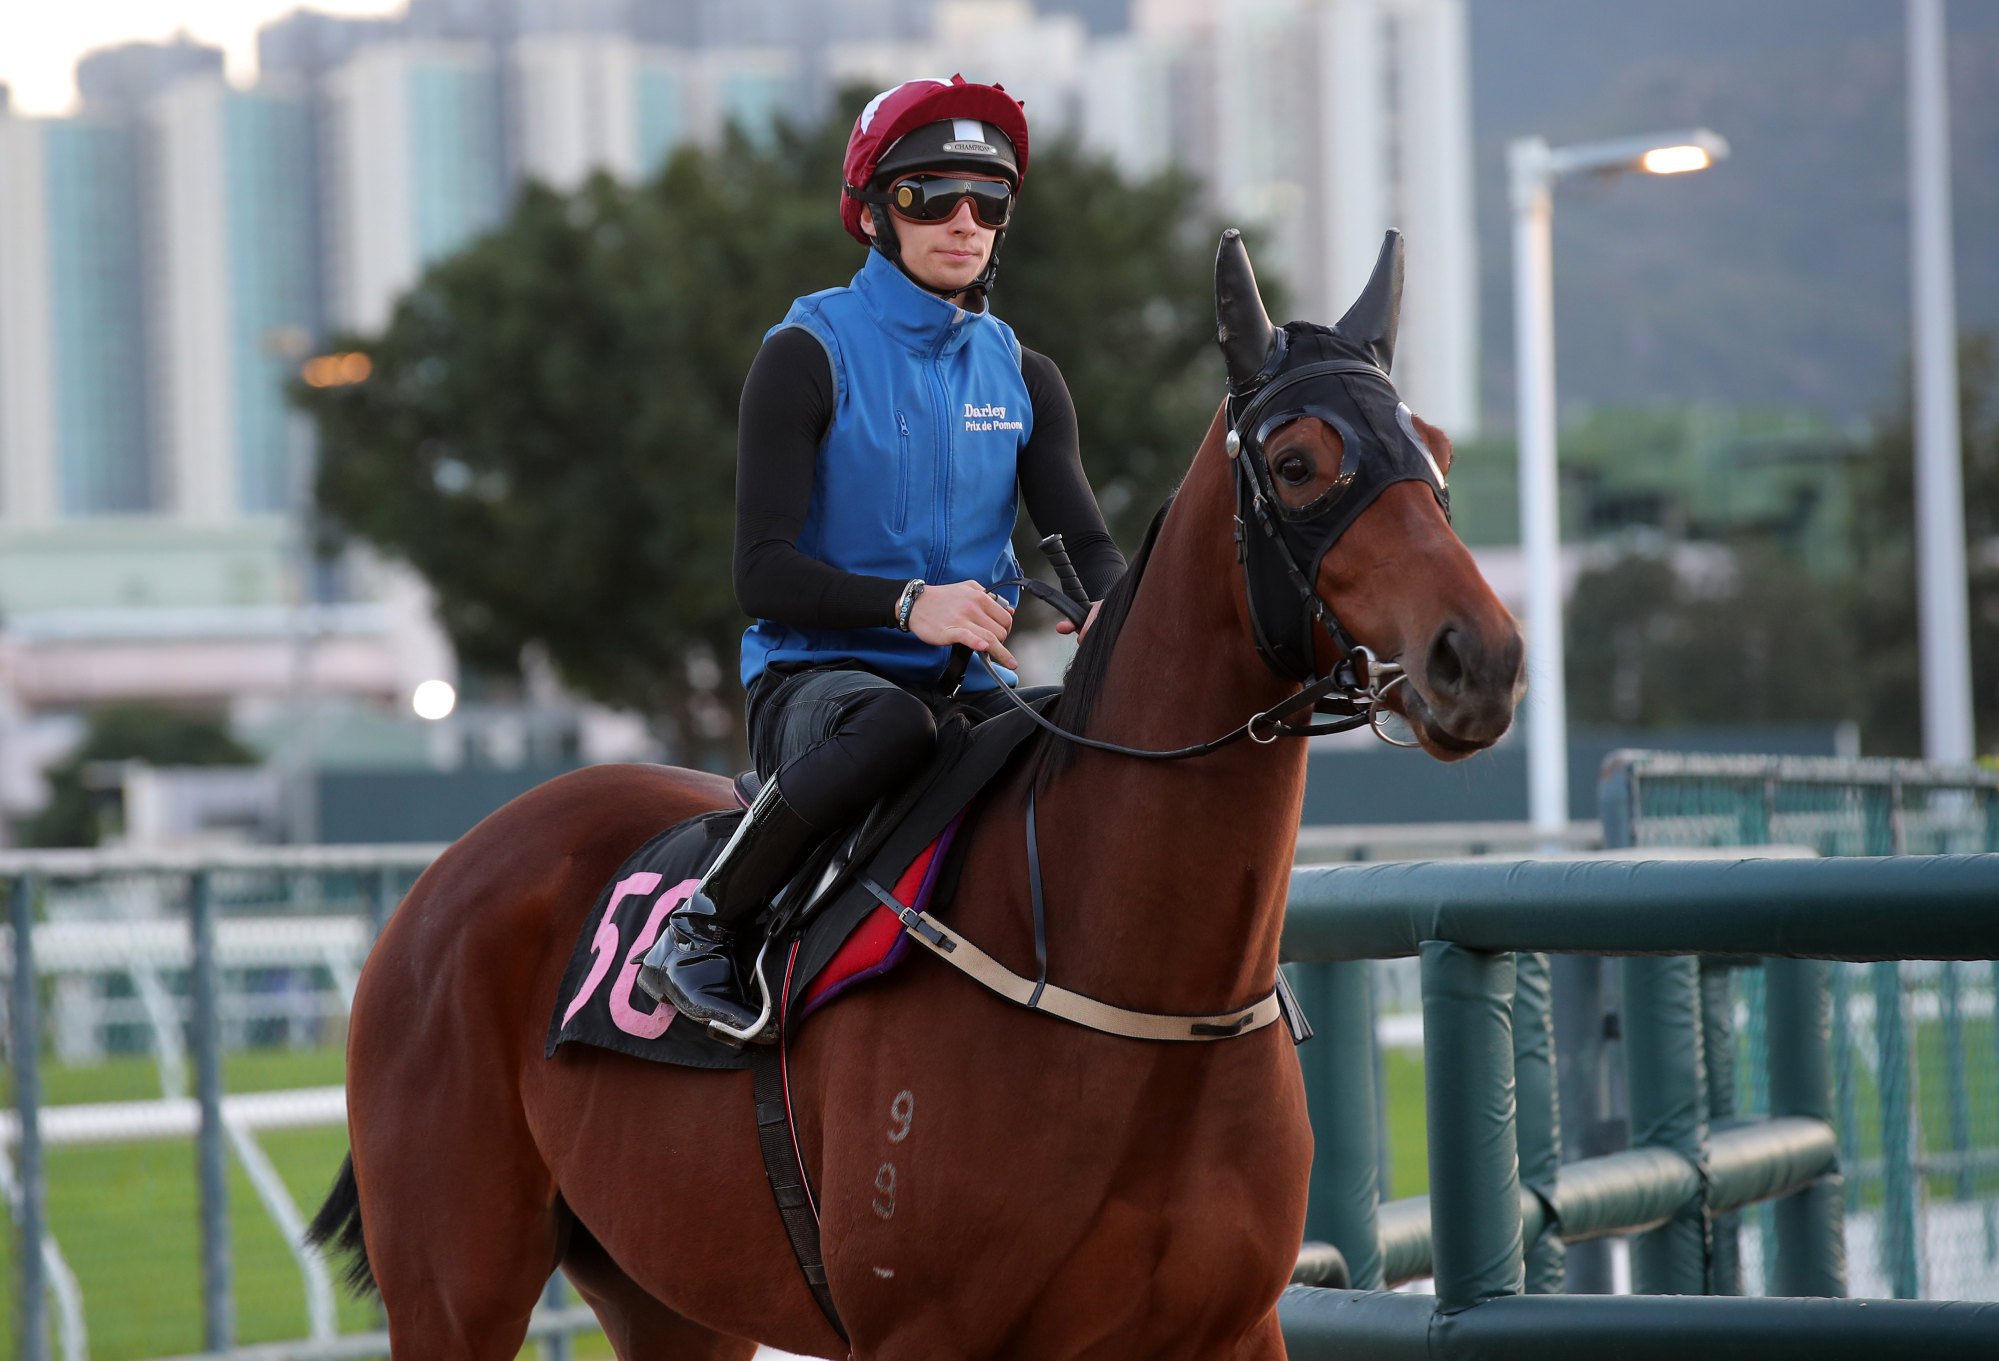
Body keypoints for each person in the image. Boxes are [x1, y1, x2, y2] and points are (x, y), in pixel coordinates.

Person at [637, 76, 1126, 1036]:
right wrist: (910, 605)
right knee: (896, 724)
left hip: (966, 692)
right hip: (814, 686)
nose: (962, 221)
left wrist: (1114, 607)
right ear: (871, 214)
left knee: (1081, 738)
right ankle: (702, 928)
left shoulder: (1026, 375)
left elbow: (1082, 541)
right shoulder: (803, 353)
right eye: (927, 197)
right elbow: (760, 572)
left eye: (988, 202)